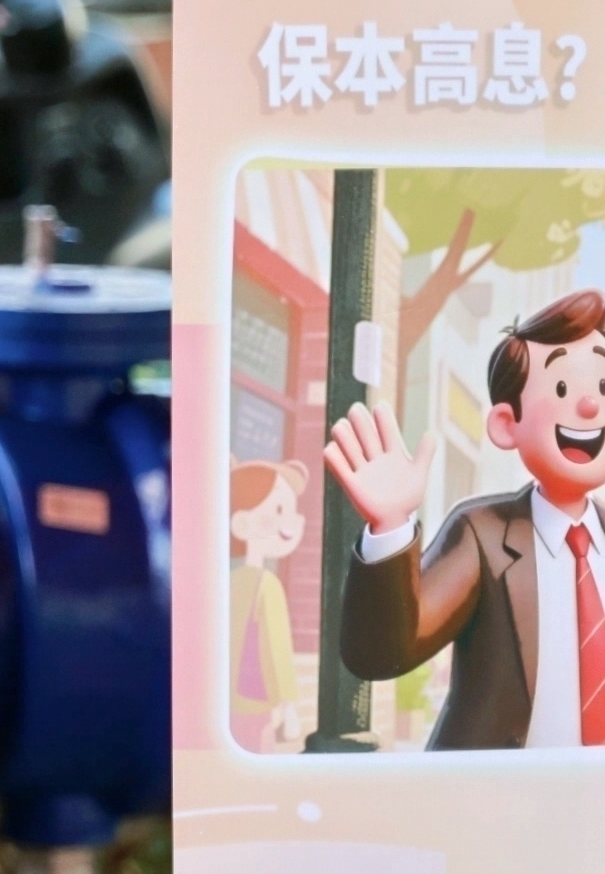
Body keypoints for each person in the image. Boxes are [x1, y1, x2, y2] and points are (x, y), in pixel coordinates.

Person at [323, 291, 605, 751]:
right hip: (499, 807)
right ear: (505, 424)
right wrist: (391, 526)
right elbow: (384, 653)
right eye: (561, 389)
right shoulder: (483, 534)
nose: (591, 407)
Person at [227, 458, 311, 751]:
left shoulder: (229, 582)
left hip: (226, 699)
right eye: (279, 510)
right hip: (256, 700)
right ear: (242, 522)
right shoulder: (268, 584)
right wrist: (287, 704)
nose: (291, 520)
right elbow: (276, 648)